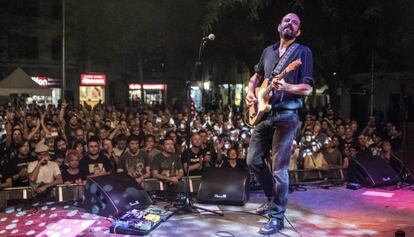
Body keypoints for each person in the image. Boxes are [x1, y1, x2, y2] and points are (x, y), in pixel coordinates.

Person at [245, 13, 313, 235]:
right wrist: (249, 92)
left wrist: (287, 87)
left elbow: (307, 88)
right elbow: (255, 78)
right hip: (263, 114)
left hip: (286, 117)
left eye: (295, 23)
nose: (290, 24)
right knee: (253, 161)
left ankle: (277, 217)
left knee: (279, 169)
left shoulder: (302, 53)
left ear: (298, 31)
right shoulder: (268, 51)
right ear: (279, 26)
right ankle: (272, 198)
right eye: (287, 20)